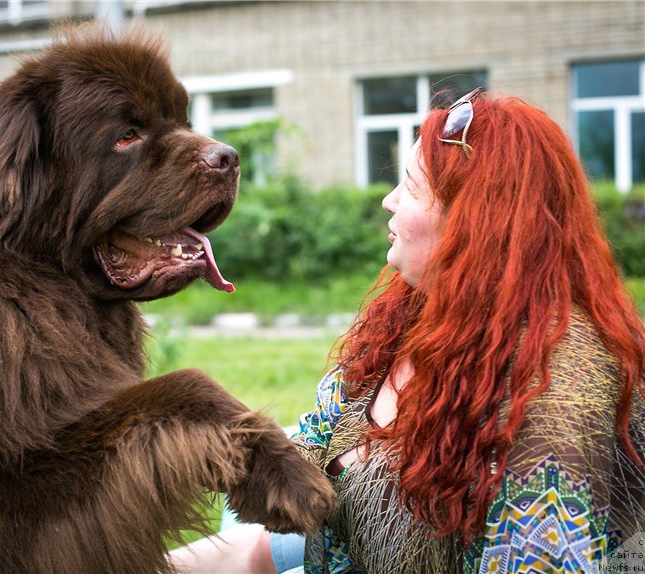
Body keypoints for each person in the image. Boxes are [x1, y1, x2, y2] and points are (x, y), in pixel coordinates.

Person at [168, 90, 645, 573]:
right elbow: (294, 502)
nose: (388, 199)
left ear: (476, 220)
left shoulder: (555, 395)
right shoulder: (412, 314)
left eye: (412, 188)